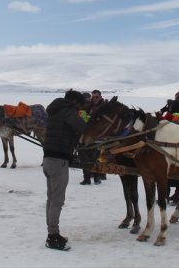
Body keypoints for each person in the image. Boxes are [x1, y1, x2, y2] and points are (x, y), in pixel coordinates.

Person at [42, 89, 86, 251]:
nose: (80, 108)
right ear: (74, 102)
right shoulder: (69, 111)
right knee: (57, 200)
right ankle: (53, 237)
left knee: (51, 198)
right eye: (80, 105)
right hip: (58, 160)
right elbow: (83, 127)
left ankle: (52, 233)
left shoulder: (55, 110)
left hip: (48, 159)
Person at [80, 89, 106, 185]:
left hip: (98, 136)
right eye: (93, 97)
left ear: (100, 97)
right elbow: (84, 114)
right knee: (84, 157)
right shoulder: (89, 106)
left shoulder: (104, 107)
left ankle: (96, 177)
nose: (94, 99)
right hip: (87, 134)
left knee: (95, 158)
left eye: (96, 97)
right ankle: (87, 178)